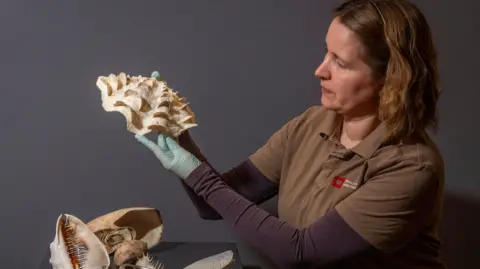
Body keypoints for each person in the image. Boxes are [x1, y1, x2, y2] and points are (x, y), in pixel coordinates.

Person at [135, 0, 446, 268]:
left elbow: (300, 253)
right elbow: (212, 203)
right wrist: (176, 130)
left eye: (340, 62)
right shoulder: (311, 124)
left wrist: (198, 175)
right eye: (327, 53)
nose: (320, 70)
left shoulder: (411, 167)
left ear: (389, 79)